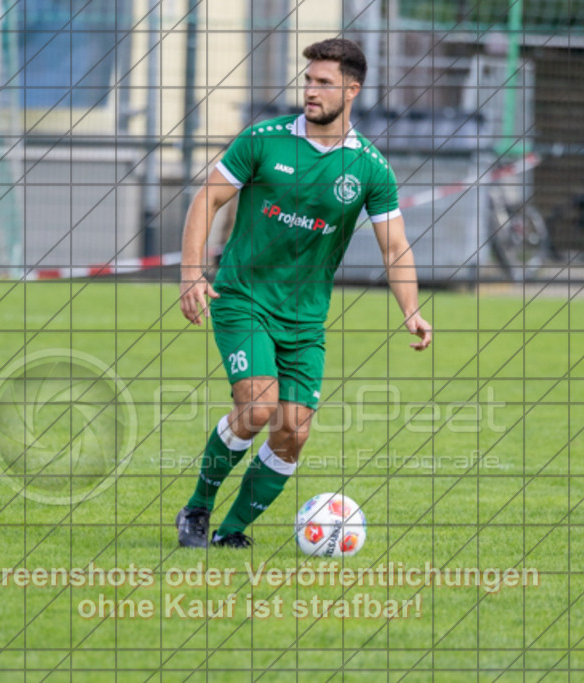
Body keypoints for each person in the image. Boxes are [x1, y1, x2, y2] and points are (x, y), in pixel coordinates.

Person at [175, 37, 432, 549]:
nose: (310, 91)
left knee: (292, 433)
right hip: (244, 298)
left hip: (305, 320)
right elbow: (208, 198)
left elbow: (396, 246)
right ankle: (197, 509)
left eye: (323, 83)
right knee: (258, 406)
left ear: (352, 90)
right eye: (308, 80)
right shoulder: (263, 140)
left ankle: (231, 534)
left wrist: (412, 310)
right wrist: (191, 273)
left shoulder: (368, 169)